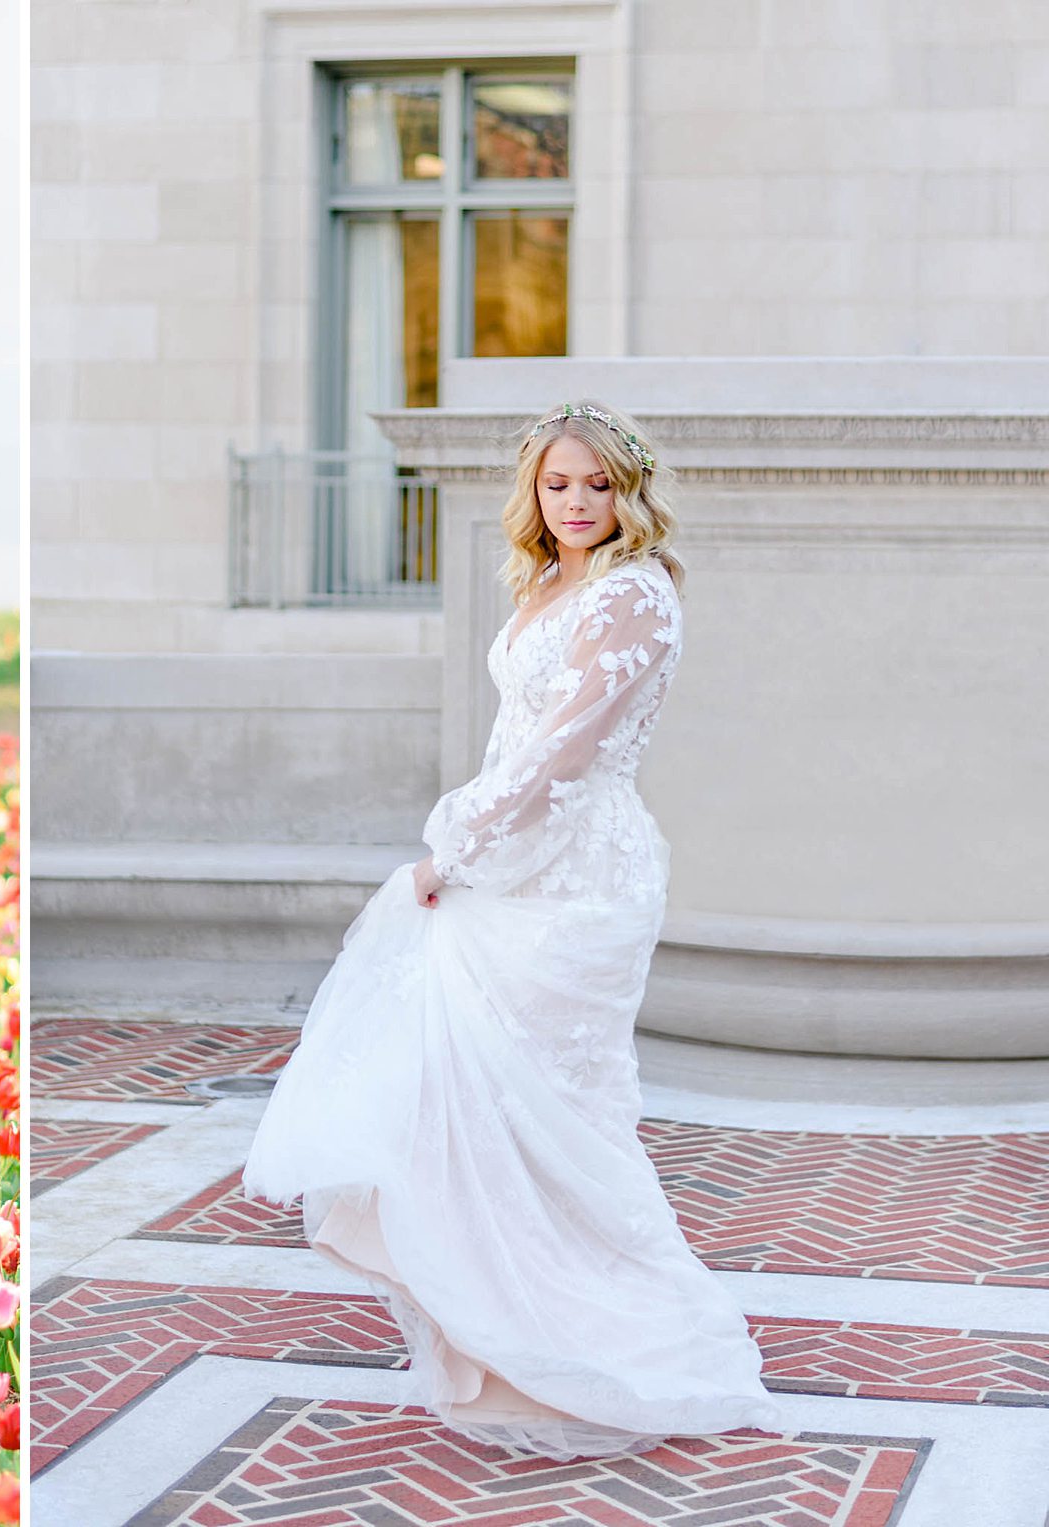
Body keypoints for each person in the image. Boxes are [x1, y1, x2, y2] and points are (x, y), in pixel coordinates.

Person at [242, 401, 786, 1460]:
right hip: (515, 857)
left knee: (552, 1117)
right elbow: (515, 740)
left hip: (574, 873)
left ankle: (604, 1343)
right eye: (557, 484)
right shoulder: (546, 583)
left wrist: (455, 850)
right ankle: (499, 1337)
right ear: (532, 493)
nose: (576, 503)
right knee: (472, 1103)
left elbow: (563, 754)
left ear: (630, 492)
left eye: (596, 485)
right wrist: (474, 844)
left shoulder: (634, 595)